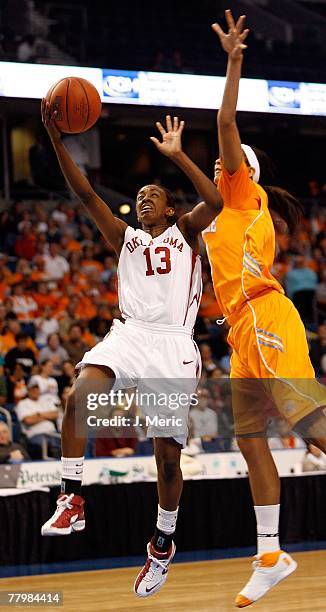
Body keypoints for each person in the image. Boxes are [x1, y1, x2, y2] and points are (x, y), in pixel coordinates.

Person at [39, 99, 222, 599]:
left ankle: (162, 543)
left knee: (166, 459)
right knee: (79, 397)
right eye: (139, 194)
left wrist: (180, 156)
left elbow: (216, 201)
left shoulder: (186, 231)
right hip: (130, 334)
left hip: (173, 347)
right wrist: (57, 138)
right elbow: (83, 192)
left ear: (168, 207)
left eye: (153, 194)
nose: (143, 199)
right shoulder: (125, 238)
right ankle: (72, 496)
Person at [204, 9, 326, 607]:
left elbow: (226, 118)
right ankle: (271, 554)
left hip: (268, 314)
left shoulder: (243, 194)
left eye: (226, 161)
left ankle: (274, 552)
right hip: (240, 331)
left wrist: (234, 60)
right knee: (250, 440)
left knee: (309, 424)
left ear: (242, 171)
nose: (218, 164)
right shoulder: (220, 220)